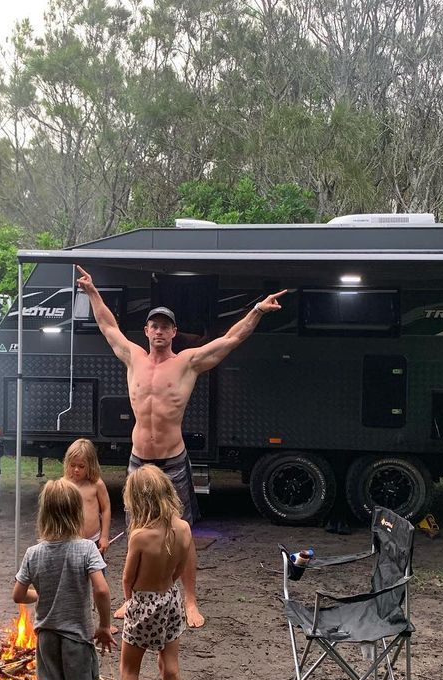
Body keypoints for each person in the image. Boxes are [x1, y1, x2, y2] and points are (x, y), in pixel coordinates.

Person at [76, 265, 286, 627]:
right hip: (139, 461)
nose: (159, 331)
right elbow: (108, 325)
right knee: (137, 526)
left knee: (182, 531)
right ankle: (132, 598)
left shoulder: (188, 363)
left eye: (165, 326)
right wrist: (93, 292)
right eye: (153, 325)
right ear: (146, 331)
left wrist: (256, 310)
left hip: (172, 460)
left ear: (174, 332)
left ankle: (189, 600)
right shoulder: (132, 357)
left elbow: (230, 340)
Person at [13, 478, 116, 680]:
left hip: (47, 639)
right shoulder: (85, 549)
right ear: (76, 513)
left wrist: (39, 593)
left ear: (44, 513)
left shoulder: (34, 554)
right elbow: (102, 589)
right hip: (77, 640)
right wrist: (105, 625)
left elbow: (18, 594)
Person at [107, 464, 192, 680]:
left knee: (129, 671)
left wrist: (129, 602)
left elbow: (128, 578)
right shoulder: (183, 527)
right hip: (170, 600)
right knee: (170, 669)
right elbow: (181, 569)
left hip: (144, 604)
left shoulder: (141, 536)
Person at [64, 438, 111, 553]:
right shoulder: (64, 484)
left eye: (81, 466)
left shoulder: (96, 484)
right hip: (69, 542)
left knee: (96, 571)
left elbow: (106, 508)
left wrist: (104, 536)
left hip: (93, 541)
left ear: (90, 465)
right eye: (72, 465)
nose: (76, 470)